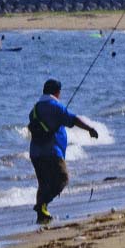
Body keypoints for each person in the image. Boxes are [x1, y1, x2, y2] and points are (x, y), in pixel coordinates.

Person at [27, 79, 98, 224]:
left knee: (43, 184)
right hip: (52, 152)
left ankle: (42, 215)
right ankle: (41, 205)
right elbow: (74, 119)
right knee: (62, 179)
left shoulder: (34, 109)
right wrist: (90, 129)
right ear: (57, 92)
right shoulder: (55, 106)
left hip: (35, 152)